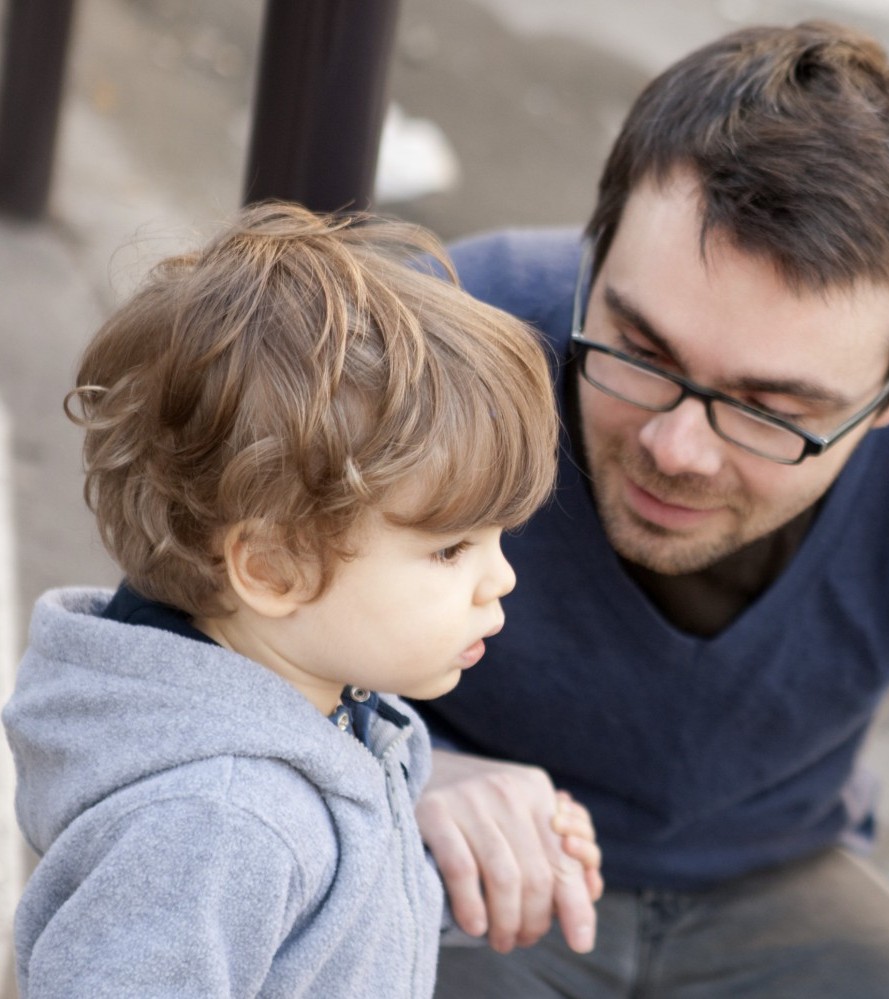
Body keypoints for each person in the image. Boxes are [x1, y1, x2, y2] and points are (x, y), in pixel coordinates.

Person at [412, 20, 889, 999]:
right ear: (593, 251)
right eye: (640, 350)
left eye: (770, 409)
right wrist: (404, 771)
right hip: (462, 861)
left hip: (771, 883)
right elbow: (184, 623)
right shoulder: (446, 333)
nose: (674, 448)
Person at [1, 203, 601, 996]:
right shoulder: (218, 823)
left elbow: (315, 933)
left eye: (497, 538)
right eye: (451, 547)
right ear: (275, 567)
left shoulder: (330, 711)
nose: (501, 578)